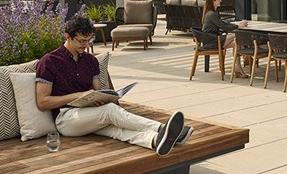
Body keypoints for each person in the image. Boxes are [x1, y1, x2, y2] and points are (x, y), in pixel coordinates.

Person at [35, 14, 190, 155]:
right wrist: (77, 96)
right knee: (110, 111)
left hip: (90, 114)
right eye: (82, 41)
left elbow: (97, 92)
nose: (86, 45)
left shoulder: (91, 61)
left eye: (89, 40)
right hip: (66, 119)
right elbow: (42, 102)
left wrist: (104, 97)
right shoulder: (50, 61)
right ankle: (162, 128)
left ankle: (155, 140)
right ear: (67, 36)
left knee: (116, 130)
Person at [201, 0, 249, 77]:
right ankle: (246, 55)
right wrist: (238, 26)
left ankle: (238, 68)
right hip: (212, 42)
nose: (221, 1)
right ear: (213, 1)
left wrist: (237, 24)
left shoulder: (211, 13)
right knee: (236, 35)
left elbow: (222, 24)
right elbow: (224, 27)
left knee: (236, 44)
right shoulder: (211, 14)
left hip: (212, 40)